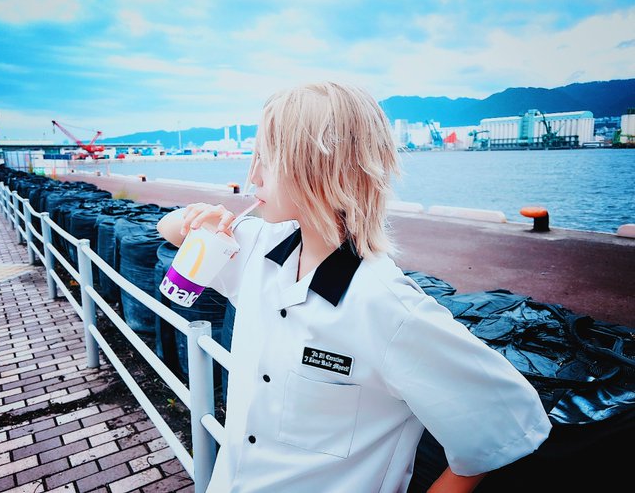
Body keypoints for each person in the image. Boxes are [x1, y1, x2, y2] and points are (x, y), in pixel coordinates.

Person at [157, 81, 552, 493]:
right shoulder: (258, 248)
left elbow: (506, 420)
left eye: (267, 160)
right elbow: (168, 230)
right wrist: (198, 217)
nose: (252, 175)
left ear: (319, 169)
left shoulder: (385, 305)